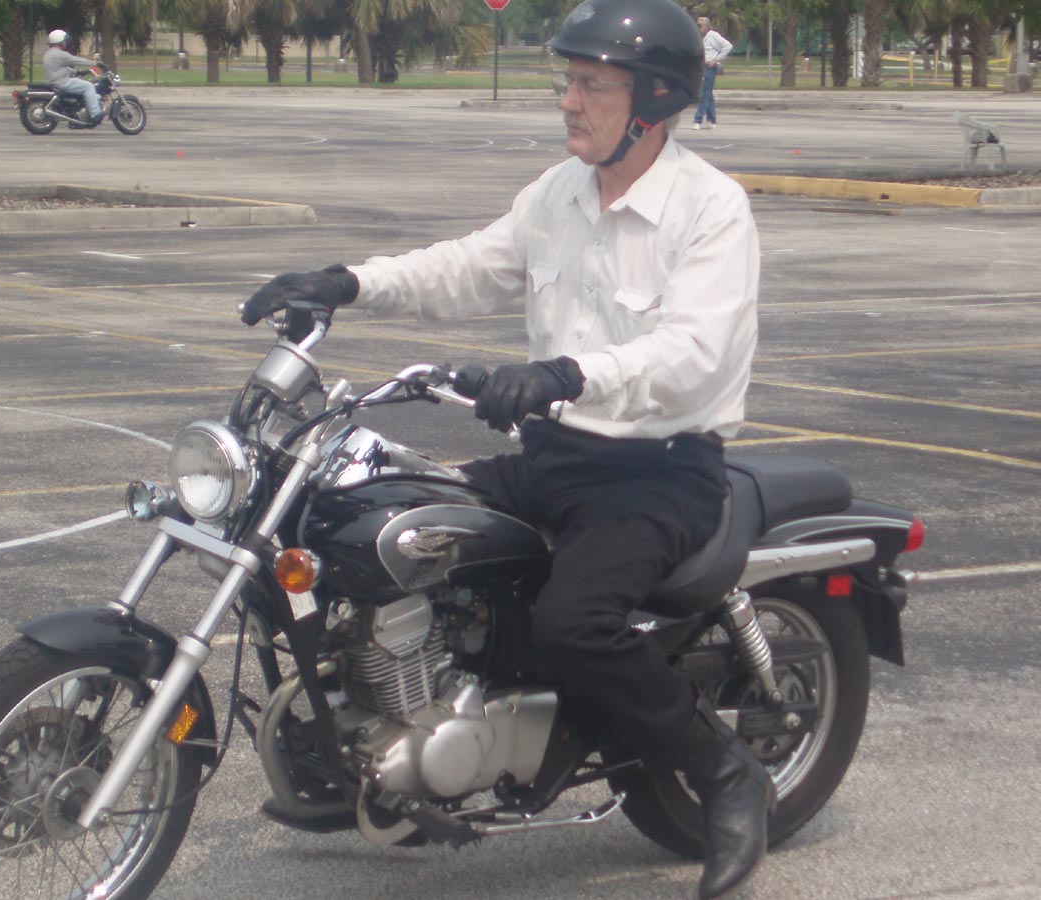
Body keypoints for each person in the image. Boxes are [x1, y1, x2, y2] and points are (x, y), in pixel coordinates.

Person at [241, 0, 770, 897]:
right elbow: (467, 265)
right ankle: (379, 741)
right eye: (568, 80)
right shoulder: (560, 192)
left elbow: (693, 353)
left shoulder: (711, 209)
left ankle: (723, 772)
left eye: (591, 85)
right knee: (379, 535)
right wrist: (347, 282)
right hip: (552, 460)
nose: (569, 100)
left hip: (656, 474)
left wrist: (566, 374)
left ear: (653, 102)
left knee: (574, 624)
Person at [42, 29, 103, 126]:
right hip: (62, 82)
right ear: (60, 42)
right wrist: (94, 63)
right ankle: (95, 114)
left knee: (80, 83)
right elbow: (75, 60)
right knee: (89, 86)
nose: (66, 43)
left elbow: (62, 69)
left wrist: (78, 72)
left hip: (56, 81)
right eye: (64, 41)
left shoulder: (49, 53)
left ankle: (78, 113)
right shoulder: (60, 54)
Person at [693, 16, 732, 129]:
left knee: (704, 93)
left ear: (706, 26)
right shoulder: (701, 37)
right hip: (702, 66)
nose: (698, 28)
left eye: (700, 25)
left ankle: (698, 119)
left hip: (710, 67)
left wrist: (716, 59)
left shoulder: (712, 35)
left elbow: (728, 46)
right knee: (708, 93)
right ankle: (712, 119)